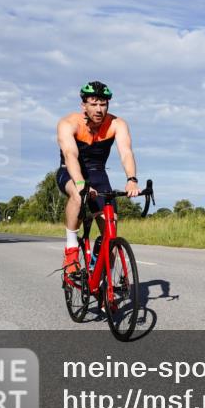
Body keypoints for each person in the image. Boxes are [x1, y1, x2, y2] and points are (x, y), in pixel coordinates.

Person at [56, 81, 139, 277]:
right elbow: (70, 155)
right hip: (70, 171)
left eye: (103, 104)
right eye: (94, 104)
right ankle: (71, 249)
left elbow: (126, 152)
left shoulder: (117, 124)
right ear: (83, 105)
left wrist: (132, 179)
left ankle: (101, 280)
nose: (99, 109)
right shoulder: (68, 123)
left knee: (110, 232)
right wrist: (81, 183)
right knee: (77, 195)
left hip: (99, 173)